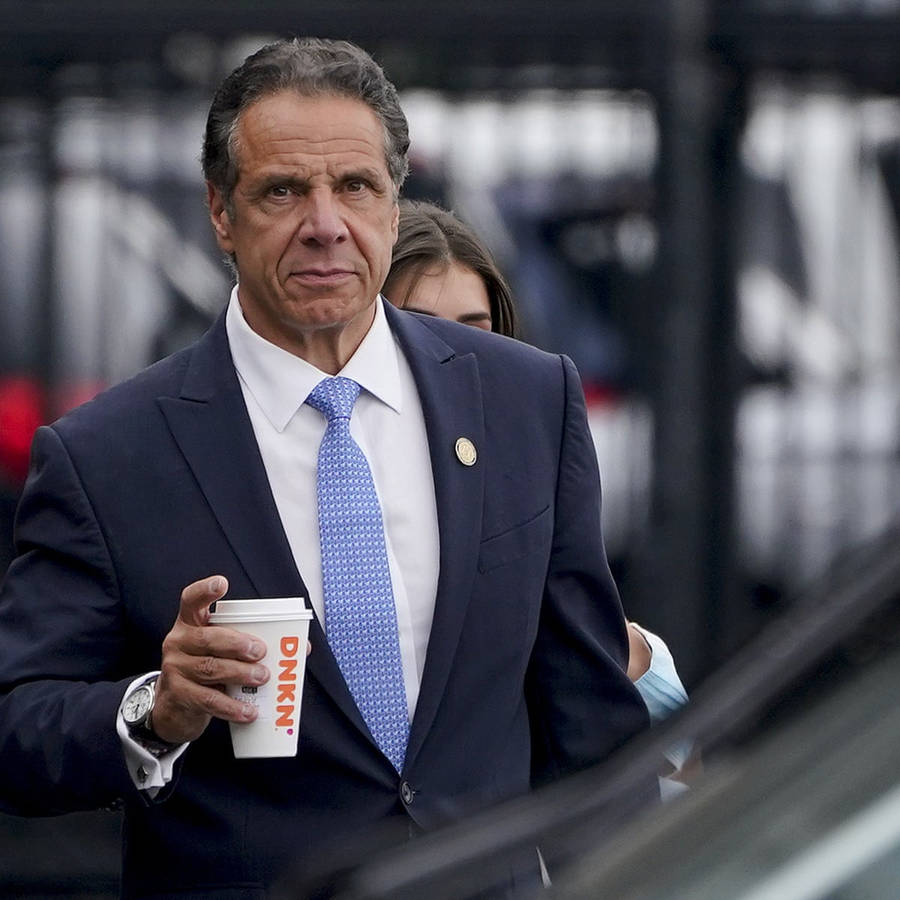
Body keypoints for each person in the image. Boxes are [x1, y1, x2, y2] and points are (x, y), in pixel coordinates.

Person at [0, 37, 651, 897]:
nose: (324, 224)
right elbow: (19, 727)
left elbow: (589, 724)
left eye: (355, 187)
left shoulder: (526, 400)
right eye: (282, 190)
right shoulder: (107, 455)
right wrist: (154, 711)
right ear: (221, 213)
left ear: (393, 205)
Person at [382, 200, 689, 729]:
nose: (451, 357)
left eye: (476, 333)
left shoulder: (531, 461)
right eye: (419, 330)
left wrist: (643, 662)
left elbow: (591, 652)